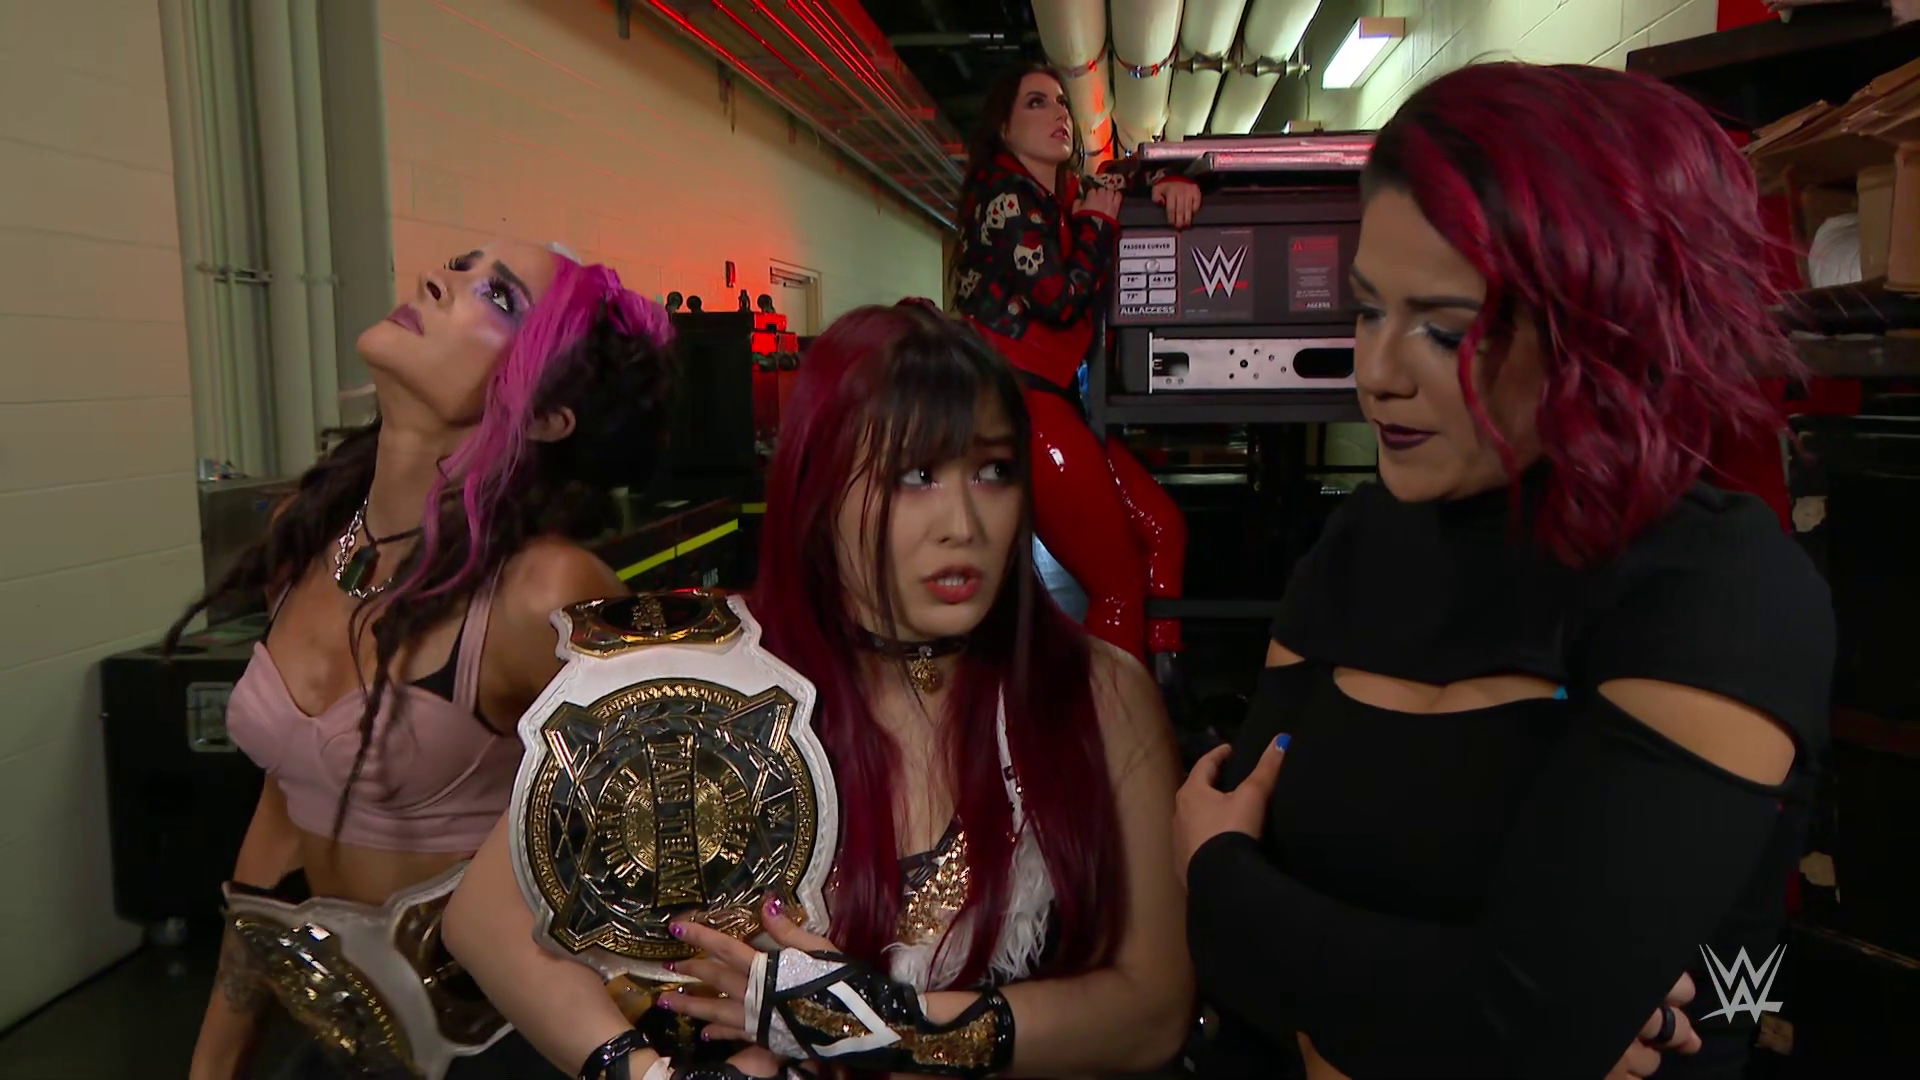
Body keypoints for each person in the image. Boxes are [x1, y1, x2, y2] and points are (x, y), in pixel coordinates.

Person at [1172, 63, 1834, 1080]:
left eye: (1446, 329)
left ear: (1603, 324)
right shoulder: (1360, 544)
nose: (1376, 372)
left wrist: (1215, 871)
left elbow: (1520, 1025)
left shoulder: (1719, 590)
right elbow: (1234, 968)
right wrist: (1462, 1010)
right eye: (1367, 310)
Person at [443, 301, 1192, 1079]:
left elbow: (1154, 1010)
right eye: (915, 475)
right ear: (819, 485)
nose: (964, 523)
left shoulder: (1097, 692)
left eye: (993, 471)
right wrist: (647, 1074)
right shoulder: (709, 679)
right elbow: (485, 918)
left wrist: (883, 1026)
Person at [174, 240, 673, 1079]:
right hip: (346, 1044)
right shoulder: (309, 532)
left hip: (506, 1051)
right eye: (459, 266)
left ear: (548, 415)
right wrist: (213, 1066)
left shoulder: (545, 591)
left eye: (499, 298)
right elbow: (284, 809)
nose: (438, 280)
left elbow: (672, 848)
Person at [950, 64, 1200, 667]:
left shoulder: (1055, 197)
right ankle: (1122, 714)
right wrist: (1099, 223)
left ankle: (1161, 677)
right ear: (1004, 127)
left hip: (1053, 406)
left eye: (1062, 102)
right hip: (1024, 409)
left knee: (1163, 527)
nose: (1060, 112)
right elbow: (1059, 299)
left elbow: (1119, 175)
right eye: (1037, 102)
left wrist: (1168, 180)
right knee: (1117, 585)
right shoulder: (1007, 198)